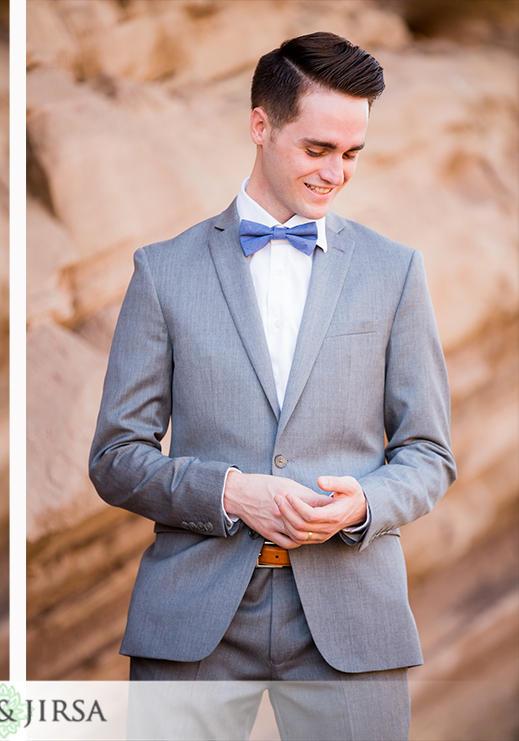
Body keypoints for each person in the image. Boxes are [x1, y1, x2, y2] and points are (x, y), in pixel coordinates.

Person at [88, 31, 455, 740]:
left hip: (353, 619)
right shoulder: (163, 271)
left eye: (352, 154)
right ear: (260, 125)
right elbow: (115, 457)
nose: (336, 173)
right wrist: (229, 491)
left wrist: (363, 503)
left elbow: (429, 454)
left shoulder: (396, 271)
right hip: (193, 619)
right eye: (317, 150)